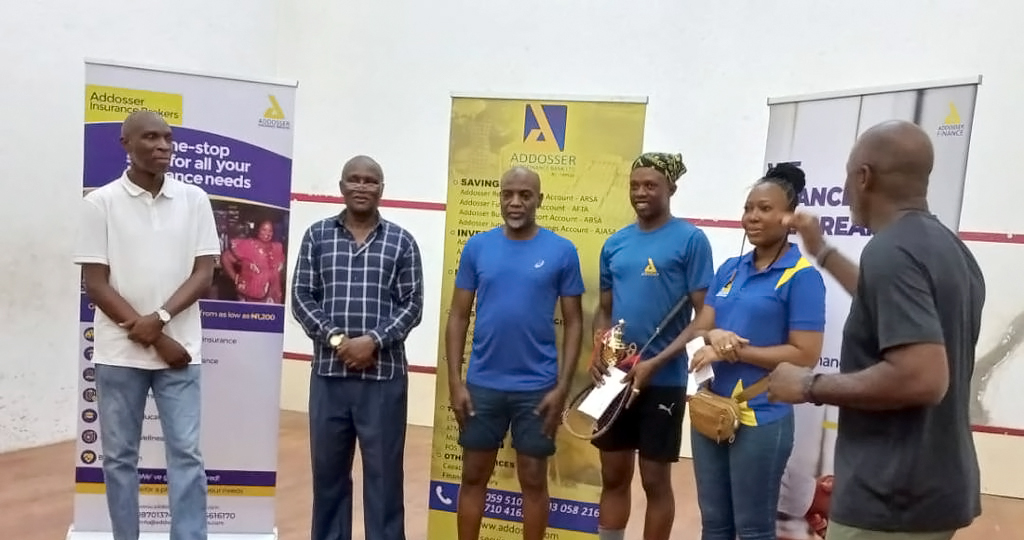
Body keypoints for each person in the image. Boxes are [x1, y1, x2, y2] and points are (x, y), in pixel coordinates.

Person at [766, 120, 985, 540]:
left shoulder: (890, 251)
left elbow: (922, 377)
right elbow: (884, 302)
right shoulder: (949, 249)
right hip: (937, 490)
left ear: (864, 177)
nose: (846, 191)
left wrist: (810, 385)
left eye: (849, 177)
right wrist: (823, 251)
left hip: (889, 498)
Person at [74, 110, 220, 540]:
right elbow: (96, 285)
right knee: (119, 458)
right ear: (126, 145)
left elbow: (204, 274)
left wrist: (159, 320)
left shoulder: (195, 200)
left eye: (168, 139)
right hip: (119, 354)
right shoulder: (99, 204)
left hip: (181, 351)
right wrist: (152, 334)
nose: (162, 146)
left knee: (186, 455)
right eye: (150, 138)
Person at [661, 163, 827, 540]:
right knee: (715, 525)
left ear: (789, 218)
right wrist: (716, 333)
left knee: (753, 529)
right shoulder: (730, 269)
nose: (752, 217)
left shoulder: (802, 277)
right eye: (749, 208)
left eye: (765, 209)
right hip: (711, 412)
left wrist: (732, 351)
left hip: (762, 418)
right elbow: (702, 326)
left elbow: (805, 355)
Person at [446, 166, 585, 540]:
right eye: (508, 193)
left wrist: (562, 387)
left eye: (525, 195)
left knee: (534, 480)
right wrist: (456, 383)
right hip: (482, 386)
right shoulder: (478, 247)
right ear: (500, 196)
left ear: (540, 199)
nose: (515, 202)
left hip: (537, 389)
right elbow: (458, 316)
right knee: (473, 477)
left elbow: (574, 323)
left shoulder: (562, 251)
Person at [291, 155, 425, 540]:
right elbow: (301, 296)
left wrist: (373, 342)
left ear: (382, 189)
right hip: (329, 378)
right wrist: (338, 340)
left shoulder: (402, 242)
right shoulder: (317, 236)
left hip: (383, 381)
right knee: (328, 478)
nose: (362, 187)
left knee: (384, 480)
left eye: (371, 181)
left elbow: (412, 305)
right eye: (355, 180)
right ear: (341, 186)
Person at [589, 152, 715, 540]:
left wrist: (657, 361)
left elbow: (704, 317)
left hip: (664, 381)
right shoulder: (615, 244)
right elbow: (604, 310)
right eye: (635, 185)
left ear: (671, 189)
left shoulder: (691, 240)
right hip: (616, 379)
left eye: (650, 185)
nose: (641, 192)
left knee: (655, 480)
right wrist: (600, 349)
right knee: (612, 476)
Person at [220, 219, 286, 304]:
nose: (267, 233)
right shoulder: (248, 245)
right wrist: (235, 277)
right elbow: (225, 257)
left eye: (270, 231)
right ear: (258, 230)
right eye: (264, 230)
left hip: (271, 299)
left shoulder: (277, 248)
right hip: (249, 298)